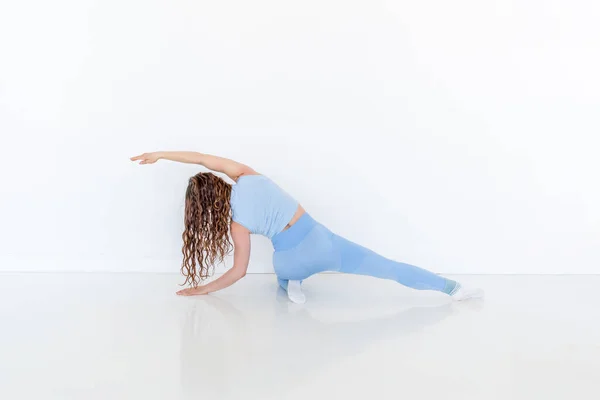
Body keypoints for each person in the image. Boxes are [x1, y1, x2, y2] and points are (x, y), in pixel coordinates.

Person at [130, 151, 484, 304]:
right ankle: (452, 288)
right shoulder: (248, 176)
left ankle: (290, 283)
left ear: (207, 206)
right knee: (388, 268)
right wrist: (161, 153)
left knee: (283, 268)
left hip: (291, 261)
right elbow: (203, 158)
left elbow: (238, 272)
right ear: (219, 183)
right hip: (323, 241)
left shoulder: (238, 224)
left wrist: (202, 290)